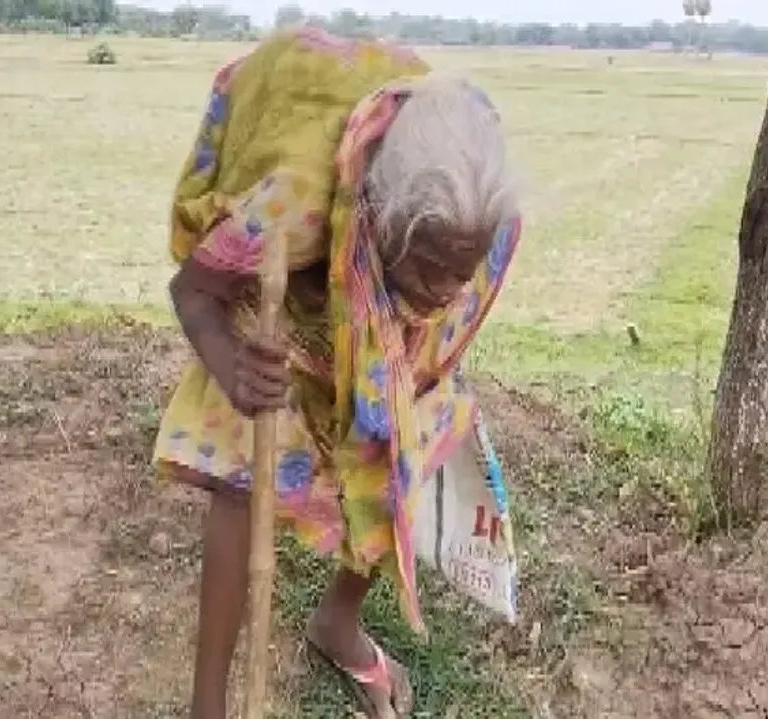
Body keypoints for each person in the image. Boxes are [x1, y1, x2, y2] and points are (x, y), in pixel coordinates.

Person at [155, 26, 522, 719]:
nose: (450, 291)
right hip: (292, 298)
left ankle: (338, 623)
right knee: (242, 472)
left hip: (375, 313)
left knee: (401, 447)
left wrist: (397, 383)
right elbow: (192, 291)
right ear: (378, 220)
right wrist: (235, 368)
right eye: (432, 268)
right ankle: (208, 705)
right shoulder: (290, 208)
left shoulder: (482, 220)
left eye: (463, 269)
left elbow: (440, 321)